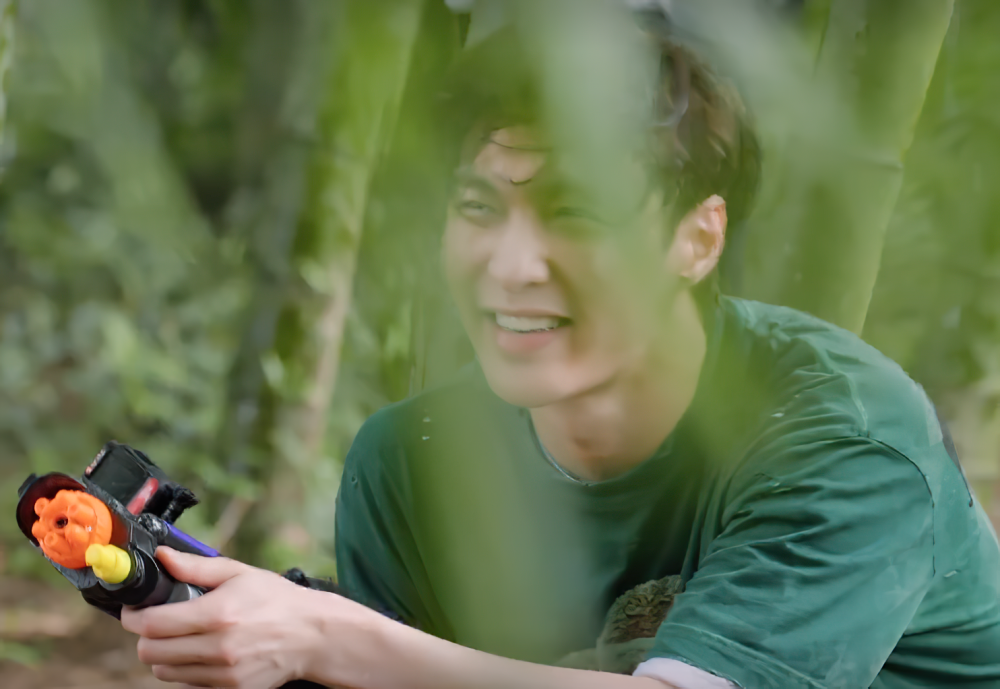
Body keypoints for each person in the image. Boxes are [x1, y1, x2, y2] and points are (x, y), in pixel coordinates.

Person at [120, 7, 1000, 689]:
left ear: (698, 238)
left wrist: (334, 638)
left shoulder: (848, 437)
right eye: (477, 208)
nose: (512, 266)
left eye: (576, 213)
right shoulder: (413, 461)